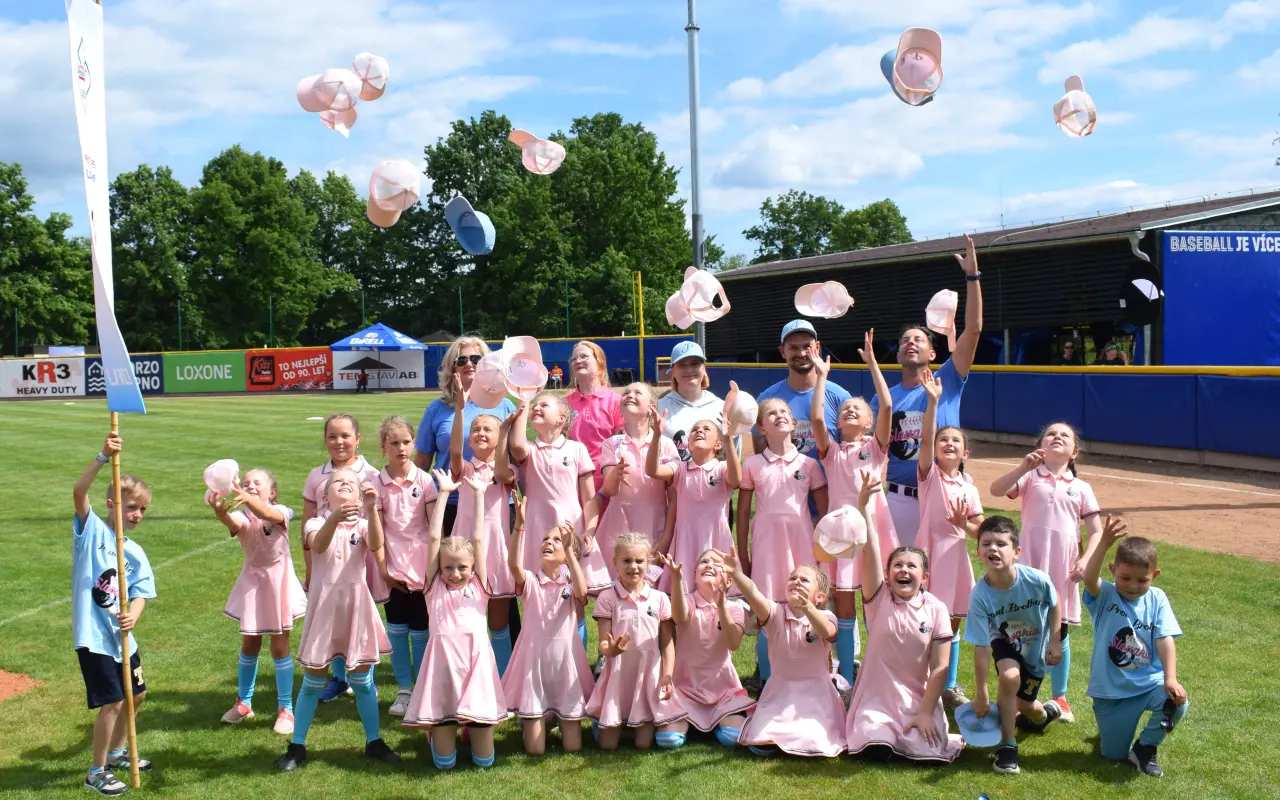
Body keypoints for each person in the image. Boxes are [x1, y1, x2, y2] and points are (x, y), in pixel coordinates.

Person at [276, 469, 397, 771]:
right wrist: (334, 518)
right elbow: (318, 545)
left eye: (351, 483)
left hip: (356, 608)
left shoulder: (365, 523)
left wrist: (371, 509)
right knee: (313, 681)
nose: (345, 484)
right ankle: (297, 745)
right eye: (338, 482)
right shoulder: (316, 522)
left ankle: (374, 741)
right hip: (325, 611)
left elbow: (376, 544)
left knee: (363, 682)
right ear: (325, 496)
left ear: (357, 495)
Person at [844, 470, 964, 764]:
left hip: (917, 702)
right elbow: (870, 550)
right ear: (887, 575)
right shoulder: (878, 598)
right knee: (876, 748)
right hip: (876, 702)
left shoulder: (936, 608)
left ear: (925, 576)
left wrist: (925, 712)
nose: (904, 570)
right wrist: (863, 508)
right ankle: (877, 734)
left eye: (912, 566)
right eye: (897, 565)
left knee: (925, 749)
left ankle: (920, 724)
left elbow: (940, 667)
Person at [988, 421, 1103, 723]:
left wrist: (1086, 560)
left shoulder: (1081, 488)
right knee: (1022, 627)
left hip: (1062, 567)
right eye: (1051, 433)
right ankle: (1025, 693)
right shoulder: (1029, 477)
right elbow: (996, 490)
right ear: (1041, 443)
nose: (1057, 437)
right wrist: (1022, 466)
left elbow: (1096, 531)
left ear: (1074, 452)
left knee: (1059, 627)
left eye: (1064, 435)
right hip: (1028, 562)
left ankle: (1060, 697)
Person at [873, 234, 984, 547]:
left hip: (943, 496)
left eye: (918, 339)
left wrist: (973, 276)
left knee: (943, 583)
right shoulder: (885, 397)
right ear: (897, 355)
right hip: (899, 500)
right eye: (904, 340)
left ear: (933, 355)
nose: (910, 343)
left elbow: (973, 330)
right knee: (900, 583)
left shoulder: (948, 378)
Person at [401, 471, 509, 769]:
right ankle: (440, 729)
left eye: (462, 567)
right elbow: (435, 537)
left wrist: (478, 494)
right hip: (443, 663)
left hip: (475, 661)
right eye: (449, 567)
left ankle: (471, 725)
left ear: (472, 566)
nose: (456, 573)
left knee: (485, 762)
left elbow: (478, 537)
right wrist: (445, 492)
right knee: (444, 765)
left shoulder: (479, 585)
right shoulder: (434, 587)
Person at [72, 432, 157, 796]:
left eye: (142, 510)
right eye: (130, 508)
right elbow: (78, 492)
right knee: (113, 701)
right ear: (111, 504)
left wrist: (134, 615)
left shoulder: (134, 552)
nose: (136, 514)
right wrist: (103, 457)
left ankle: (120, 751)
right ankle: (96, 770)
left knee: (136, 695)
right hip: (94, 635)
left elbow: (142, 592)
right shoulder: (91, 531)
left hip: (123, 635)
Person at [811, 330, 895, 686]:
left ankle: (876, 669)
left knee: (876, 599)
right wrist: (821, 377)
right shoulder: (830, 451)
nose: (849, 410)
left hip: (874, 525)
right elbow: (816, 419)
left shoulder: (875, 448)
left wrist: (873, 363)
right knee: (844, 603)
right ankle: (846, 674)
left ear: (868, 423)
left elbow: (888, 406)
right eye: (845, 408)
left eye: (857, 409)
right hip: (840, 529)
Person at [1082, 519, 1189, 778]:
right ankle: (1117, 737)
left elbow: (1165, 638)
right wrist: (1104, 543)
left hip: (1147, 685)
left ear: (1155, 575)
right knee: (1113, 756)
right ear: (1112, 570)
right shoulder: (1105, 595)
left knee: (1176, 701)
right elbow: (1088, 577)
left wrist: (1170, 678)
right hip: (1111, 694)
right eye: (1124, 577)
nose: (1132, 586)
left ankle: (1145, 748)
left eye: (1142, 580)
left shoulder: (1157, 598)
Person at [721, 547, 846, 758]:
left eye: (804, 580)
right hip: (779, 693)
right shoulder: (775, 613)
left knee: (814, 740)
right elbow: (753, 594)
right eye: (793, 578)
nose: (796, 581)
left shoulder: (825, 616)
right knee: (761, 738)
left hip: (816, 695)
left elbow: (826, 630)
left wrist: (807, 608)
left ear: (820, 596)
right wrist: (736, 574)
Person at [737, 397, 828, 683]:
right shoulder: (752, 465)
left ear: (793, 422)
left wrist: (824, 553)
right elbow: (741, 516)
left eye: (784, 411)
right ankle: (767, 679)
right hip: (765, 546)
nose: (779, 416)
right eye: (771, 414)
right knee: (767, 613)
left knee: (803, 607)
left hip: (800, 543)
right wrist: (743, 554)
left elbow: (825, 516)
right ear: (761, 429)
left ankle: (808, 673)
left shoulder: (809, 464)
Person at [965, 516, 1064, 775]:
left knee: (1026, 706)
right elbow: (982, 647)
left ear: (1017, 552)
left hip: (1035, 647)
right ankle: (1007, 746)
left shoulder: (1037, 580)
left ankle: (1043, 717)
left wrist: (1054, 641)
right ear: (978, 552)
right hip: (1005, 641)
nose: (993, 549)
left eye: (1001, 543)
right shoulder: (980, 595)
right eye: (986, 543)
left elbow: (1055, 603)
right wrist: (982, 693)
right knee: (1009, 678)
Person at [211, 469, 305, 735]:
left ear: (272, 492)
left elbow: (268, 515)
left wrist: (248, 499)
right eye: (246, 483)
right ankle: (244, 703)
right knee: (250, 642)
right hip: (253, 583)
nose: (250, 486)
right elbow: (232, 523)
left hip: (279, 584)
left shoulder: (281, 511)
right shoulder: (243, 515)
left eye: (257, 483)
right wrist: (219, 510)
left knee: (279, 644)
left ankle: (285, 708)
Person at [300, 414, 382, 703]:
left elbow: (379, 519)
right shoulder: (316, 475)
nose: (339, 442)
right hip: (329, 558)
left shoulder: (370, 473)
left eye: (346, 435)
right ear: (325, 441)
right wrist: (310, 567)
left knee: (359, 616)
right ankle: (338, 678)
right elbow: (308, 521)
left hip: (361, 555)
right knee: (333, 616)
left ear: (357, 438)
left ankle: (363, 678)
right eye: (332, 436)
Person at [917, 370, 984, 709]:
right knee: (922, 621)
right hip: (929, 556)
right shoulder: (929, 477)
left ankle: (950, 684)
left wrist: (965, 525)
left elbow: (979, 531)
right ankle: (919, 680)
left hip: (956, 559)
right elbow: (927, 439)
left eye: (955, 441)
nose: (948, 444)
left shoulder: (969, 488)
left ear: (965, 454)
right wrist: (933, 402)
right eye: (944, 440)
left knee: (952, 624)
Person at [502, 515, 595, 754]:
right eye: (546, 539)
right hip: (535, 667)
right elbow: (513, 565)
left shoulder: (571, 582)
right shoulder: (531, 581)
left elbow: (582, 591)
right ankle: (533, 721)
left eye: (557, 540)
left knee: (573, 747)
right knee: (535, 750)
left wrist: (570, 551)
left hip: (565, 666)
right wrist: (518, 527)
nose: (549, 543)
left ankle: (556, 719)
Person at [587, 533, 687, 751]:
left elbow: (667, 642)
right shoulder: (607, 597)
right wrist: (610, 650)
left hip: (648, 673)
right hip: (618, 673)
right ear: (615, 562)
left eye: (639, 561)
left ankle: (637, 719)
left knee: (643, 744)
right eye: (626, 561)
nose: (633, 566)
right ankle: (602, 719)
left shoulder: (660, 598)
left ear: (648, 563)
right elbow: (602, 644)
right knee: (608, 746)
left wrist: (667, 675)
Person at [448, 380, 518, 675]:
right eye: (476, 430)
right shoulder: (463, 468)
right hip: (463, 554)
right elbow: (453, 452)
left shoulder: (505, 472)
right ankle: (468, 676)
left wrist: (503, 434)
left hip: (495, 553)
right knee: (465, 620)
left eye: (487, 429)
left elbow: (503, 470)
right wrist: (461, 410)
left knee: (498, 624)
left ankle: (502, 682)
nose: (480, 433)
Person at [413, 335, 517, 533]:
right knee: (453, 563)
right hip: (448, 500)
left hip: (495, 501)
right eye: (462, 360)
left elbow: (518, 458)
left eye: (476, 359)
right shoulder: (437, 409)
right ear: (453, 368)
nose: (469, 364)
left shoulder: (505, 406)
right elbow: (422, 464)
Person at [371, 416, 438, 719]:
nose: (401, 448)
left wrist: (434, 567)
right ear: (383, 446)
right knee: (397, 629)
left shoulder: (424, 480)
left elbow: (434, 526)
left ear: (413, 443)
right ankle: (403, 690)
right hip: (392, 566)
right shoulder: (375, 483)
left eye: (406, 442)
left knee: (421, 630)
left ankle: (423, 687)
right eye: (394, 442)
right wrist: (384, 569)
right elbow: (378, 531)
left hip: (422, 566)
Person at [661, 550, 754, 748]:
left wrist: (721, 606)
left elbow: (733, 643)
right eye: (704, 561)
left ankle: (712, 721)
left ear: (728, 581)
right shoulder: (688, 601)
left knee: (733, 737)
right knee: (668, 740)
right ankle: (694, 722)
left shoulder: (735, 608)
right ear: (694, 577)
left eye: (717, 563)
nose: (709, 565)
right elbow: (679, 616)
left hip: (723, 692)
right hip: (685, 689)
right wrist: (676, 579)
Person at [646, 400, 741, 594]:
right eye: (695, 430)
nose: (699, 431)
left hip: (715, 539)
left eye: (707, 429)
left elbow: (736, 479)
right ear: (687, 443)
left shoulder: (722, 468)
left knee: (717, 594)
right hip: (685, 542)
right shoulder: (680, 468)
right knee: (683, 596)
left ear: (718, 444)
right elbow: (653, 470)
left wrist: (730, 438)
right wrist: (656, 435)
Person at [589, 383, 679, 582]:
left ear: (651, 407)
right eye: (626, 393)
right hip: (618, 527)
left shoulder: (666, 445)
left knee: (651, 594)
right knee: (617, 593)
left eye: (637, 392)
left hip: (654, 526)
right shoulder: (611, 444)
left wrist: (666, 538)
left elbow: (673, 498)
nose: (629, 395)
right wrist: (616, 472)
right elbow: (610, 490)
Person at [754, 320, 852, 474]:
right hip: (785, 494)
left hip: (830, 494)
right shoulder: (766, 400)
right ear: (782, 351)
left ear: (817, 348)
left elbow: (851, 453)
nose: (801, 353)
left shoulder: (840, 397)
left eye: (807, 346)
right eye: (793, 347)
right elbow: (760, 456)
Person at [566, 340, 624, 490]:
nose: (578, 361)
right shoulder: (563, 405)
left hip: (608, 485)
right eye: (574, 359)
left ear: (600, 362)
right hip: (572, 484)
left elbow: (623, 446)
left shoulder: (617, 403)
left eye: (584, 356)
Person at [658, 341, 726, 464]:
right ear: (673, 370)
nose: (689, 370)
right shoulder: (660, 407)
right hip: (671, 481)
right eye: (682, 365)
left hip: (712, 481)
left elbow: (731, 458)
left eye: (695, 364)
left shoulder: (721, 407)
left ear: (704, 368)